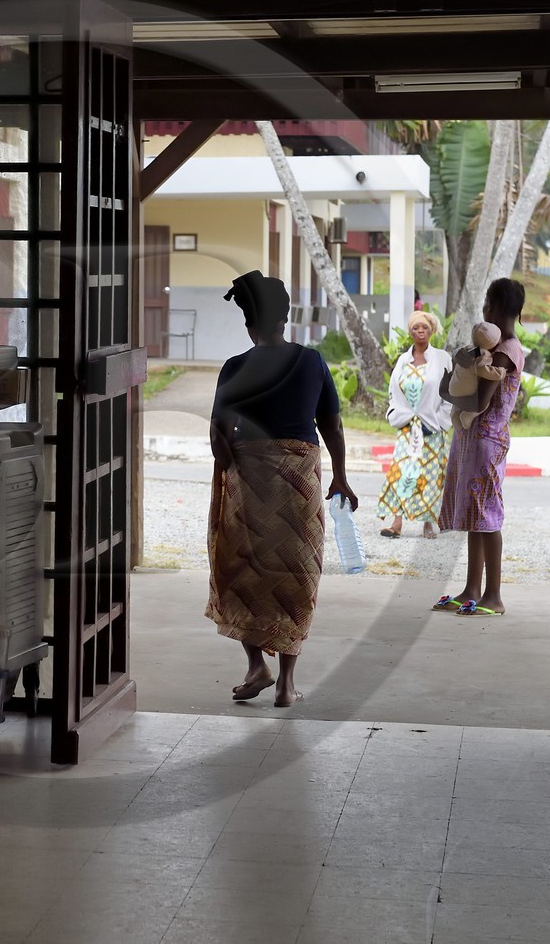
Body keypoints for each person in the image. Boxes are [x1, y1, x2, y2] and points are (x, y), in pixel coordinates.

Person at [206, 271, 358, 708]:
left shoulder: (236, 367)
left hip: (249, 483)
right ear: (286, 318)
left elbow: (219, 437)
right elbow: (330, 423)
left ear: (248, 323)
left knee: (241, 570)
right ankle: (286, 684)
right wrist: (341, 475)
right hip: (299, 484)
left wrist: (232, 463)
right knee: (296, 576)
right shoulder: (311, 362)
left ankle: (256, 664)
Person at [434, 277, 528, 618]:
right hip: (474, 440)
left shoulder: (504, 353)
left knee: (488, 516)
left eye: (488, 304)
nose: (484, 310)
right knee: (477, 516)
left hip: (487, 442)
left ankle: (494, 595)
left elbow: (480, 400)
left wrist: (446, 390)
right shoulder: (494, 349)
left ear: (500, 308)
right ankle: (473, 588)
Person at [375, 311, 450, 540]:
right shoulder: (402, 360)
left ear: (431, 331)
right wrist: (397, 413)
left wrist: (439, 420)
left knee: (429, 475)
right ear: (410, 331)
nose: (420, 332)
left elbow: (449, 394)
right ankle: (396, 523)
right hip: (407, 428)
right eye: (416, 328)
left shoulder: (442, 358)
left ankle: (428, 523)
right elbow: (393, 390)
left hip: (432, 428)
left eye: (425, 328)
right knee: (401, 472)